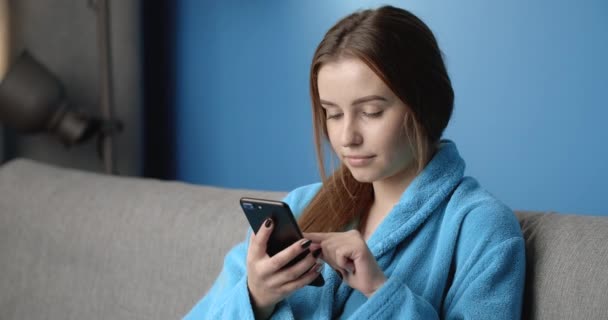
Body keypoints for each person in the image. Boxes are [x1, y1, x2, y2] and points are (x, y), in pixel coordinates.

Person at [184, 5, 525, 319]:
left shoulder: (481, 228)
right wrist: (256, 298)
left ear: (425, 105)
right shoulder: (300, 207)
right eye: (332, 113)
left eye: (371, 112)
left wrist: (379, 289)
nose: (347, 136)